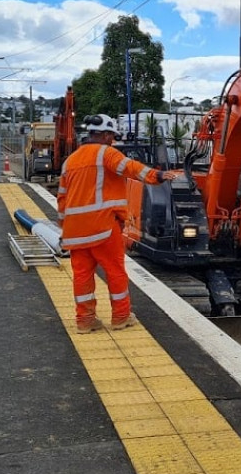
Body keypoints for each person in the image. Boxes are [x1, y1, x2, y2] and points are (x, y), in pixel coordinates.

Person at [57, 114, 170, 334]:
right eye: (112, 136)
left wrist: (63, 227)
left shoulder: (69, 161)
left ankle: (85, 321)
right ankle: (121, 316)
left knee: (81, 276)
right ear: (107, 135)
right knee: (115, 271)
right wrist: (158, 175)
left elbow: (62, 198)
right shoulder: (106, 153)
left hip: (75, 232)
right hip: (103, 228)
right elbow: (131, 168)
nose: (113, 140)